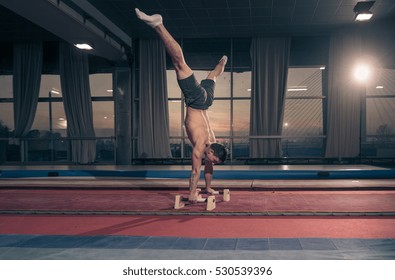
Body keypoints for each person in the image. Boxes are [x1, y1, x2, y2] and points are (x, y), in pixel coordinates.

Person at [135, 8, 228, 203]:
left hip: (206, 103)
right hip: (196, 101)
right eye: (212, 159)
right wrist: (193, 194)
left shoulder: (214, 142)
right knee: (179, 63)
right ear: (210, 152)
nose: (211, 163)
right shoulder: (201, 146)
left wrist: (208, 188)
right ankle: (158, 24)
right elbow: (195, 171)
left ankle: (222, 62)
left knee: (213, 75)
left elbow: (208, 166)